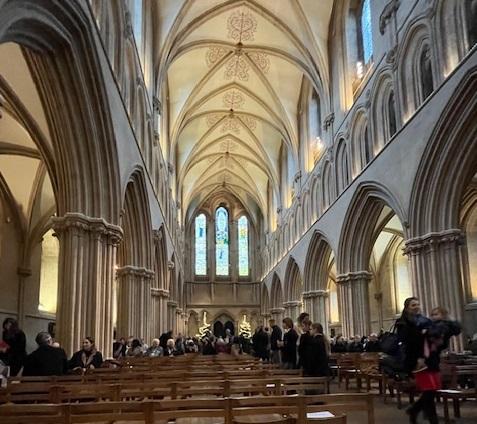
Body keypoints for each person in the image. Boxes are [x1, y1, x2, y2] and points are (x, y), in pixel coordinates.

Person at [394, 297, 432, 424]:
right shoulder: (403, 323)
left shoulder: (422, 321)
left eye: (418, 304)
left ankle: (417, 411)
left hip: (425, 358)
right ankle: (422, 412)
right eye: (413, 305)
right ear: (407, 307)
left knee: (429, 388)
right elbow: (409, 343)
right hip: (414, 360)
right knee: (428, 388)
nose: (416, 306)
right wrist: (419, 358)